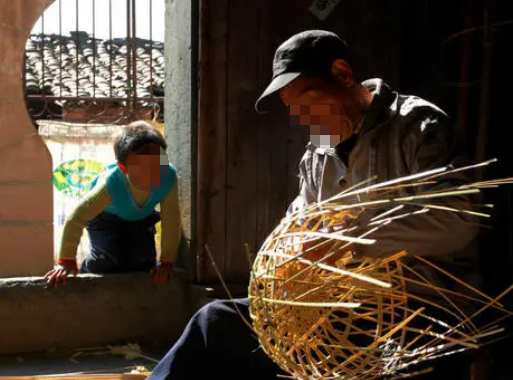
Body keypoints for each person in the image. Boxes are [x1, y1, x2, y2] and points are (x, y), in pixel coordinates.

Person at [147, 30, 480, 379]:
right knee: (216, 323)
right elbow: (299, 221)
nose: (305, 119)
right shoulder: (319, 150)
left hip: (419, 309)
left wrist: (345, 242)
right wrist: (284, 258)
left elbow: (459, 217)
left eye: (309, 102)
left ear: (343, 75)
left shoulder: (417, 125)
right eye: (295, 110)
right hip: (342, 310)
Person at [45, 121, 183, 287]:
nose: (152, 173)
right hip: (106, 221)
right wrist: (66, 261)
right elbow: (76, 218)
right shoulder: (111, 184)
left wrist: (167, 263)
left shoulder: (168, 176)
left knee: (143, 263)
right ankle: (88, 268)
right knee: (109, 261)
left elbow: (171, 218)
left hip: (141, 220)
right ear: (123, 168)